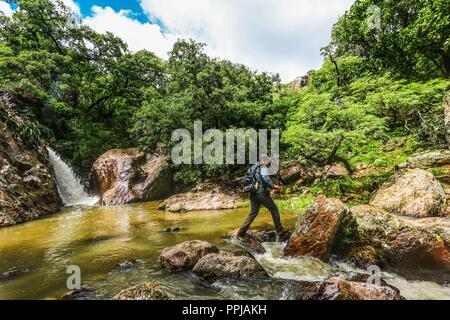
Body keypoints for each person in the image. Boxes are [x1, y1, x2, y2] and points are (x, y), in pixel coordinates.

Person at [237, 155, 290, 238]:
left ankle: (240, 233)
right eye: (268, 161)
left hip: (252, 193)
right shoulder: (263, 167)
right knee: (274, 209)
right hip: (261, 193)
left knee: (253, 213)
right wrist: (274, 186)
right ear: (264, 160)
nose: (268, 162)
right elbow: (265, 178)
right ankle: (279, 230)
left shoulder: (253, 167)